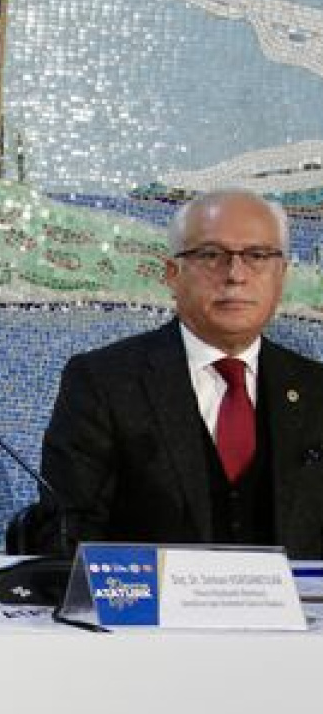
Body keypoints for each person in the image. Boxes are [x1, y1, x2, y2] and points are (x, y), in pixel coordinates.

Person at [37, 188, 323, 556]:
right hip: (147, 593)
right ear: (173, 274)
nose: (235, 275)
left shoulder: (315, 390)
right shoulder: (105, 382)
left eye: (257, 256)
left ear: (281, 275)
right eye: (211, 255)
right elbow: (68, 530)